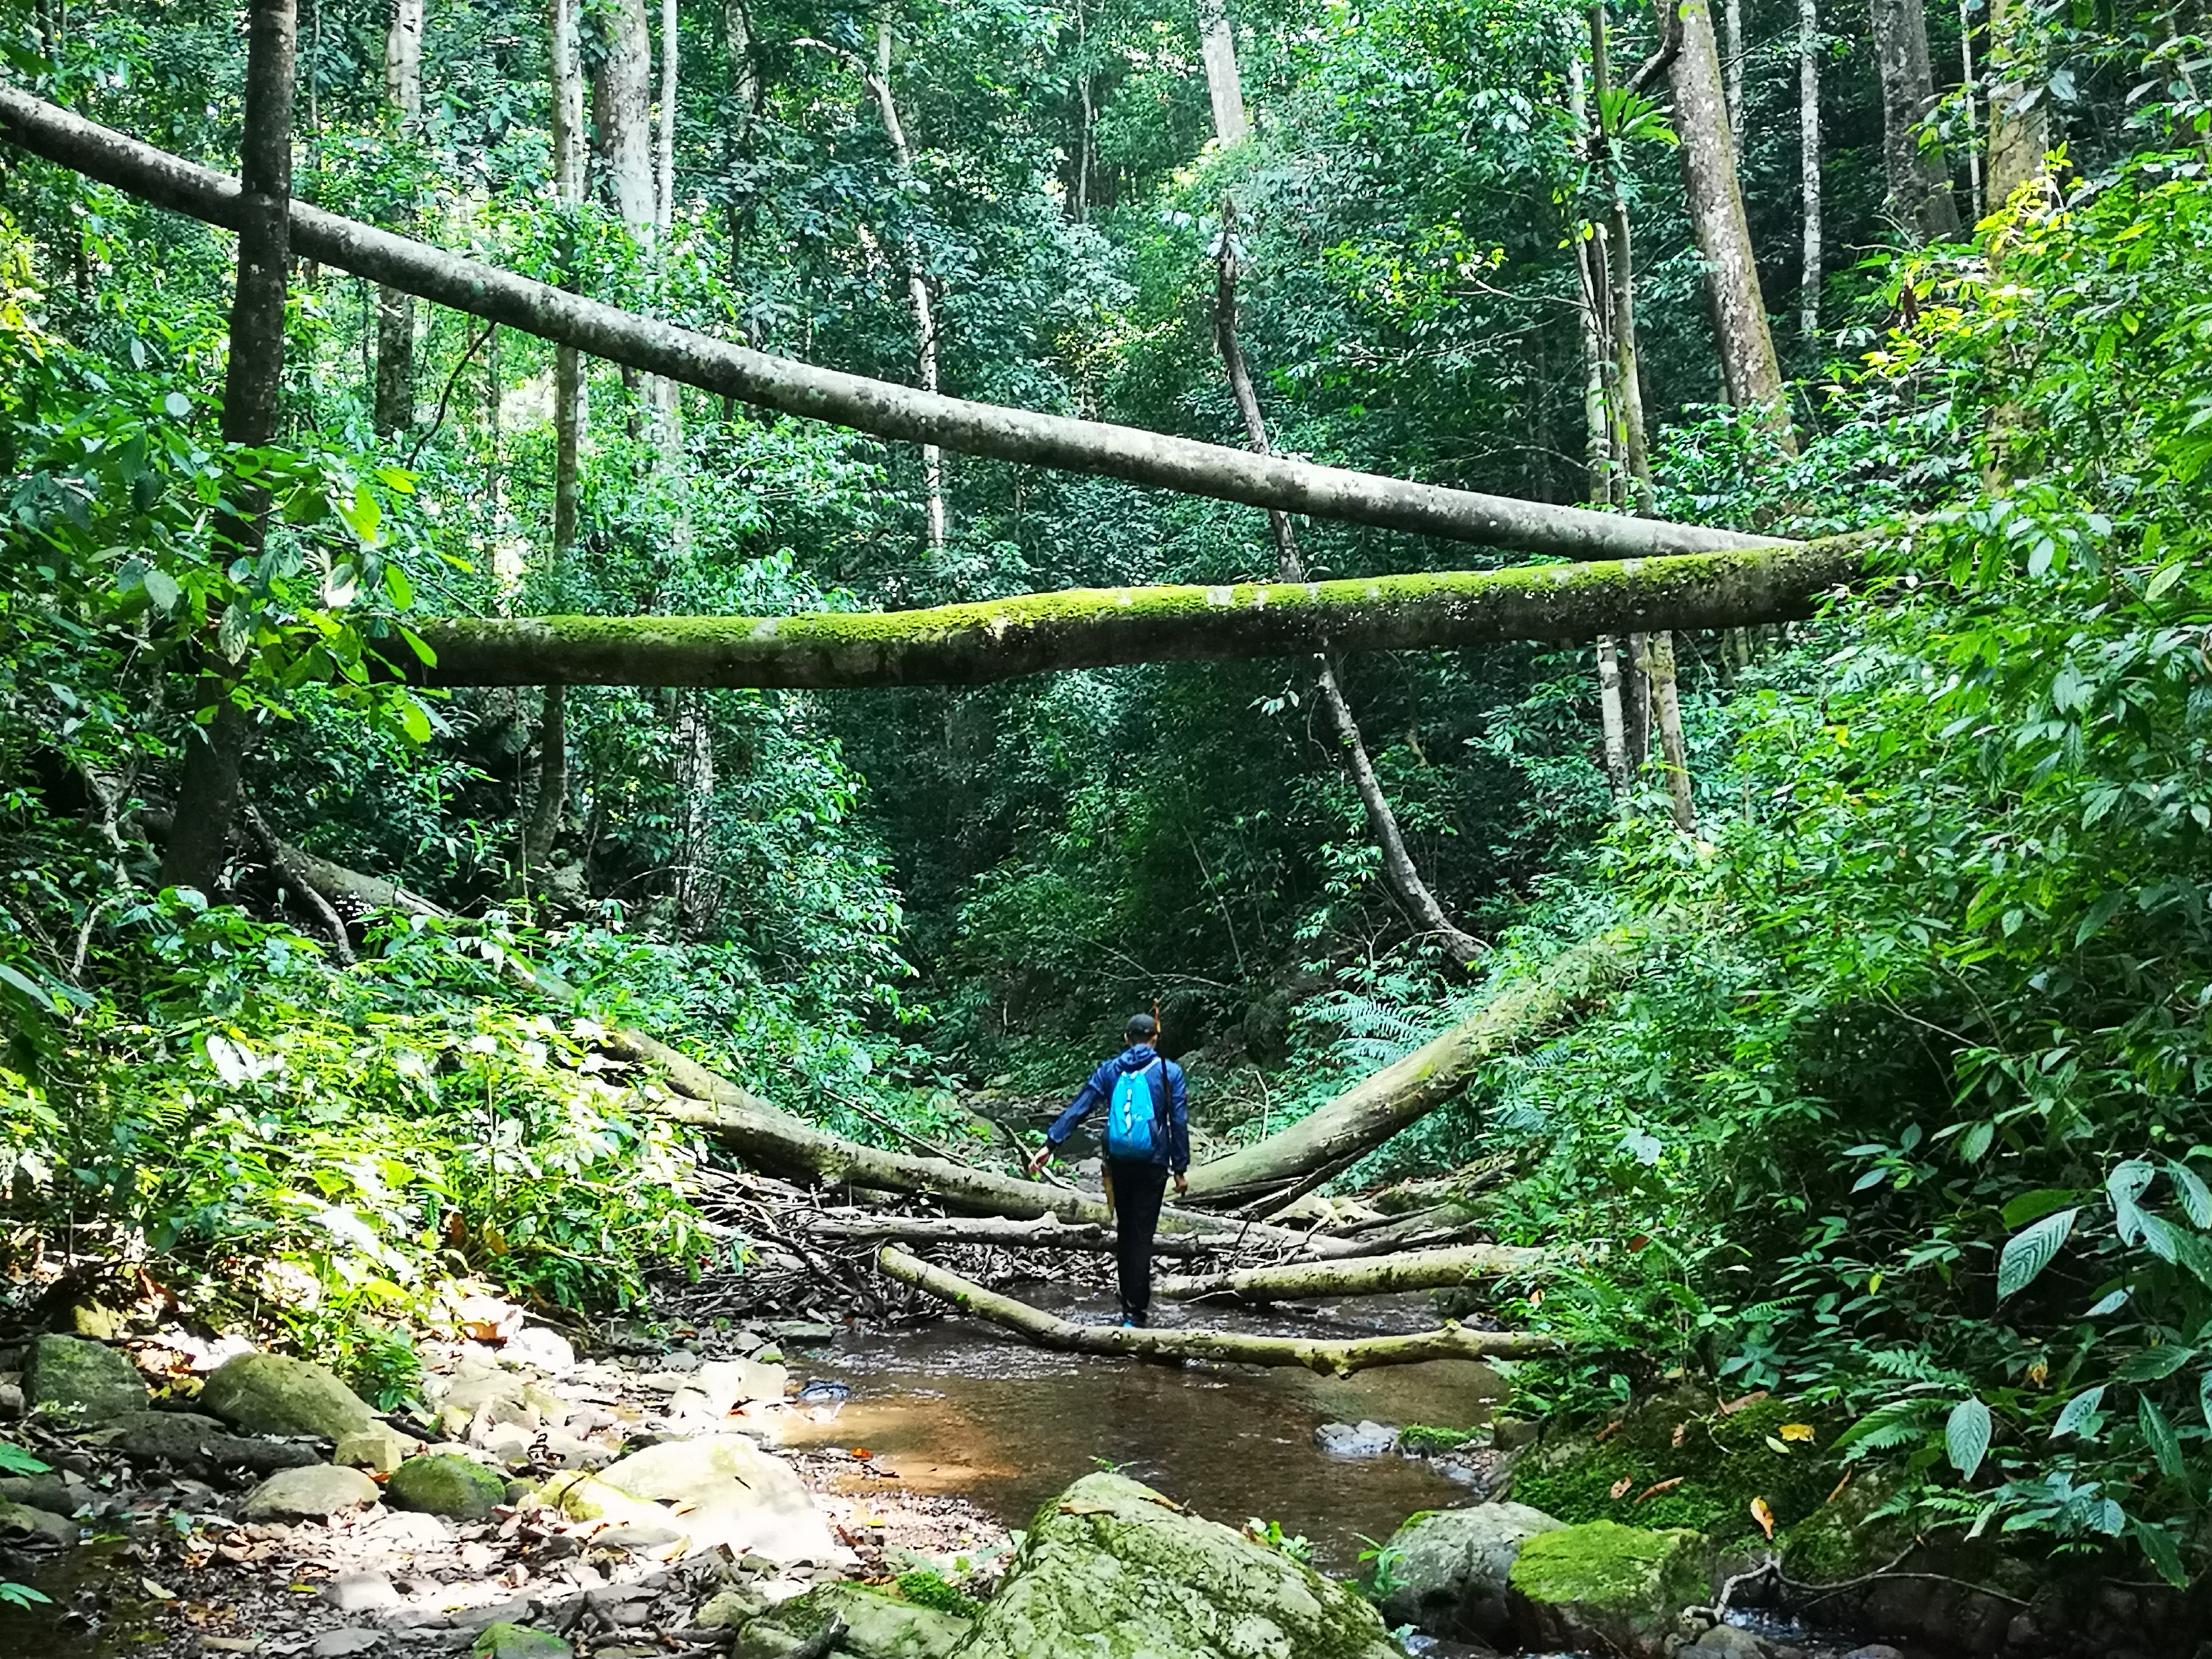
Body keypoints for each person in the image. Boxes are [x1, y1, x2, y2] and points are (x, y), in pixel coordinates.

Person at [1025, 1012, 1189, 1326]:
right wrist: (1179, 1168)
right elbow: (1177, 1122)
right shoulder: (1170, 1072)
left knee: (1125, 1233)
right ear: (1154, 1039)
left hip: (1119, 1164)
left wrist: (1050, 1144)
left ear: (1127, 1039)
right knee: (1142, 1236)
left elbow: (1081, 1106)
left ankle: (1128, 1304)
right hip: (1153, 1164)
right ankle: (1135, 1314)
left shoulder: (1110, 1070)